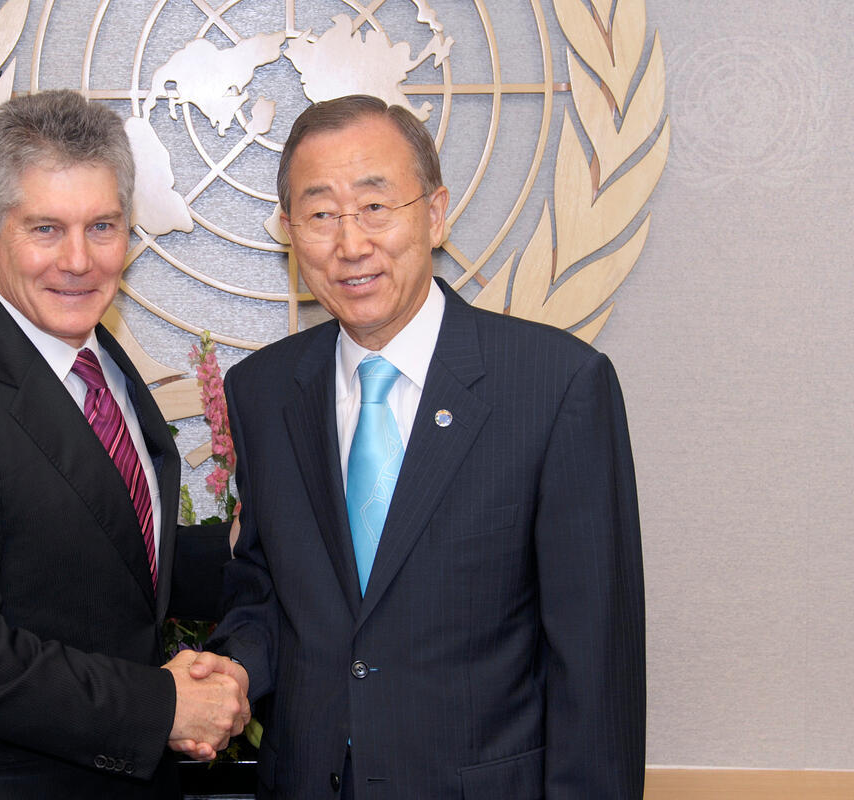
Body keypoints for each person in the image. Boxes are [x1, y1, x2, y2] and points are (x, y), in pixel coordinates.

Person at [199, 95, 646, 798]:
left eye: (376, 206)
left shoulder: (555, 386)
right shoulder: (263, 392)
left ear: (435, 214)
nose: (351, 244)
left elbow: (595, 665)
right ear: (290, 232)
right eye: (321, 214)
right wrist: (233, 671)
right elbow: (264, 593)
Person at [0, 89, 248, 799]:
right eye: (45, 228)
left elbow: (106, 558)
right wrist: (158, 706)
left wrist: (234, 551)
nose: (78, 260)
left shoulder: (105, 367)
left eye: (102, 226)